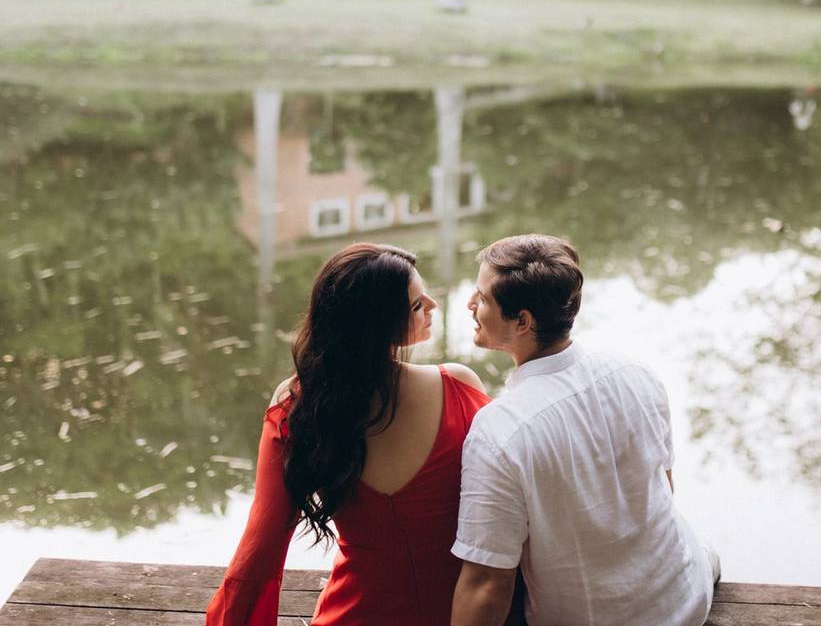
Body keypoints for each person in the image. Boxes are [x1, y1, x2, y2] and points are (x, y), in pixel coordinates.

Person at [205, 243, 490, 625]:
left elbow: (261, 547)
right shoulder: (458, 386)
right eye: (417, 304)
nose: (433, 305)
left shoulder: (299, 407)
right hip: (461, 613)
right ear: (378, 325)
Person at [451, 234, 720, 626]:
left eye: (482, 298)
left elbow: (488, 584)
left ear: (523, 322)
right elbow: (664, 489)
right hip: (685, 598)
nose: (470, 304)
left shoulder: (500, 431)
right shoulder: (634, 371)